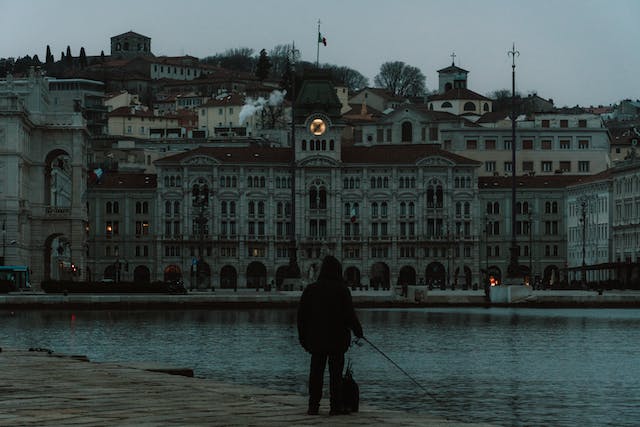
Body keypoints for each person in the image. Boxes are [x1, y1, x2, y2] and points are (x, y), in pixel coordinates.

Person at [297, 255, 363, 416]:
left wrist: (303, 339)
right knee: (335, 375)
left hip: (316, 340)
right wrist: (358, 332)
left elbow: (301, 318)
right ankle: (335, 406)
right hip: (337, 340)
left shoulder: (311, 290)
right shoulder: (342, 290)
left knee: (316, 374)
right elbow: (350, 315)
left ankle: (313, 406)